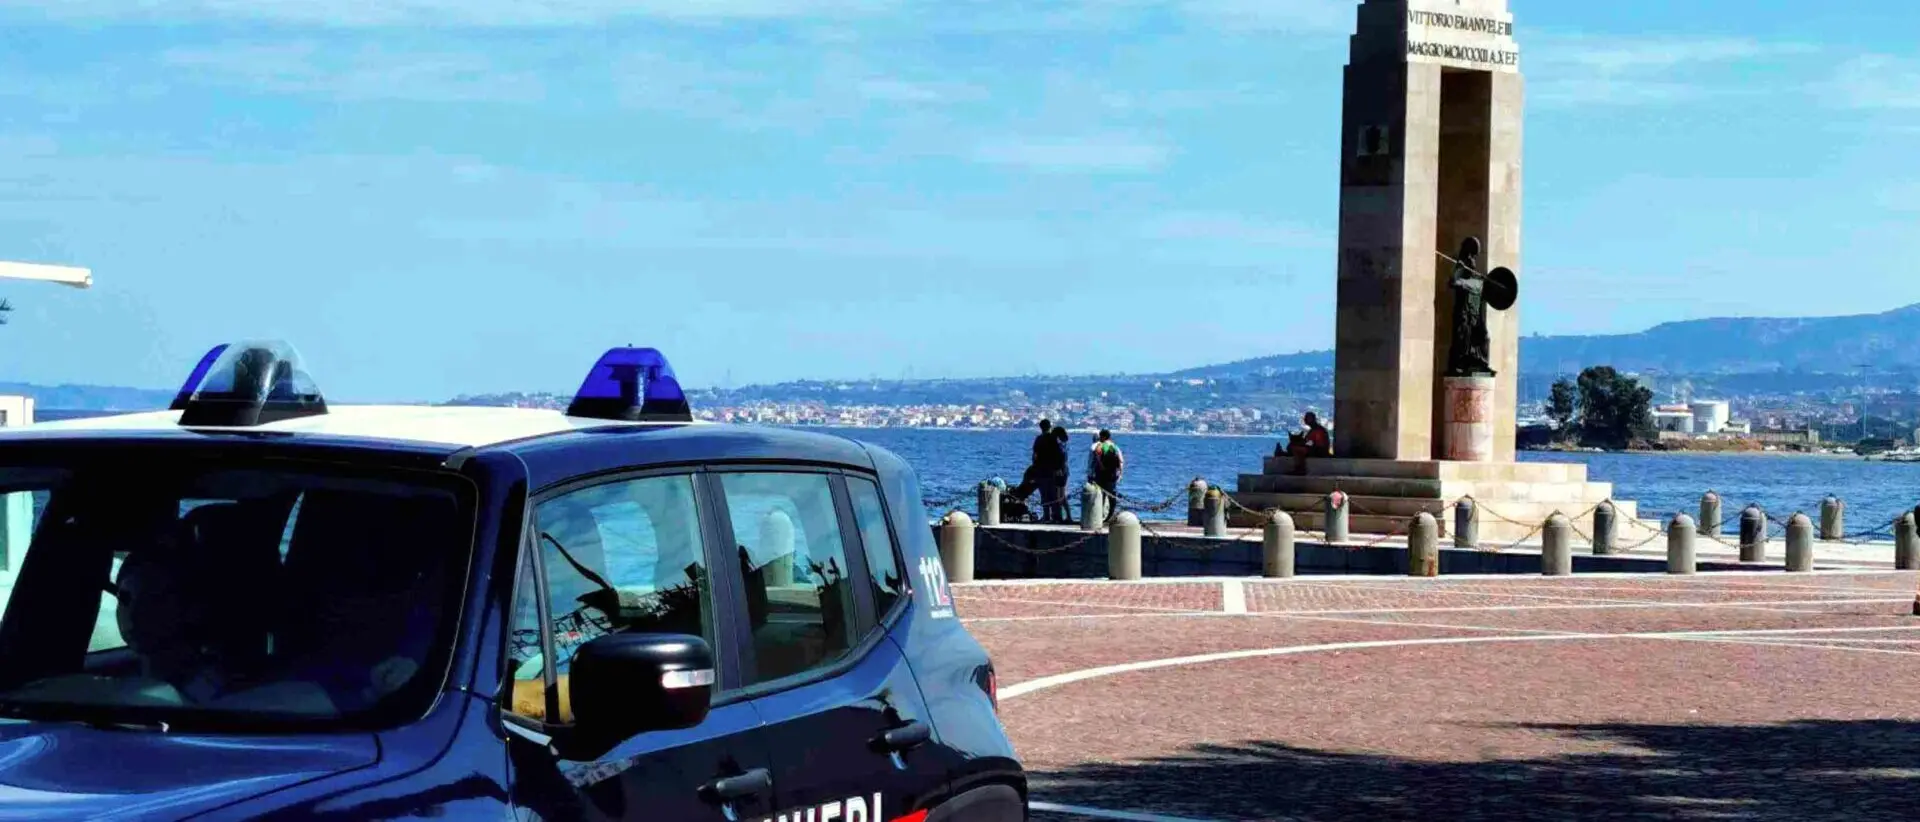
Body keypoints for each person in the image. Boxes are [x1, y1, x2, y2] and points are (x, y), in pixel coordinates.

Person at [1088, 430, 1124, 520]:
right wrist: (1120, 474)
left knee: (1101, 495)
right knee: (1112, 494)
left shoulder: (1100, 446)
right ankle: (1110, 514)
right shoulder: (1114, 446)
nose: (1099, 438)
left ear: (1103, 437)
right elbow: (1121, 461)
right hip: (1113, 474)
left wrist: (1101, 467)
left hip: (1102, 474)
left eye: (1100, 436)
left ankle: (1099, 515)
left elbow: (1097, 458)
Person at [1045, 426, 1071, 523]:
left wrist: (1057, 469)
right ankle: (1065, 516)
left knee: (1059, 496)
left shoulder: (1058, 446)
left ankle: (1059, 516)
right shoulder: (1063, 445)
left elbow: (1060, 460)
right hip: (1063, 471)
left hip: (1060, 472)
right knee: (1061, 496)